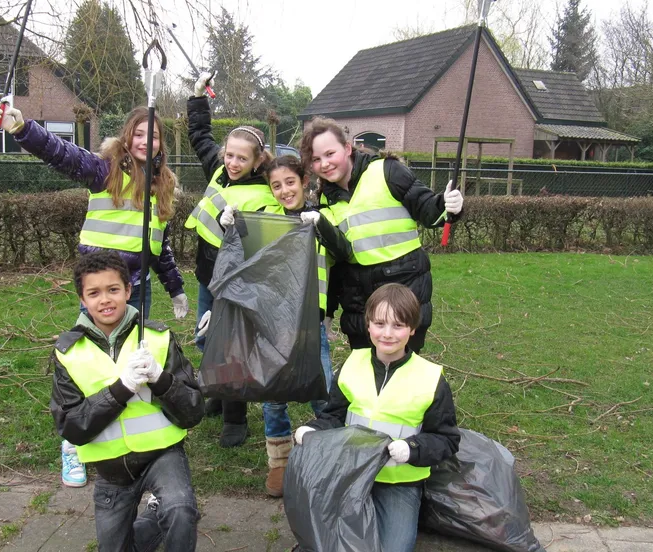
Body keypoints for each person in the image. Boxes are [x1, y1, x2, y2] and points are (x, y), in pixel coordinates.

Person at [0, 103, 190, 487]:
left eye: (153, 136)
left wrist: (176, 289)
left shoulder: (163, 184)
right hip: (100, 283)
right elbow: (62, 154)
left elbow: (159, 247)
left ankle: (136, 442)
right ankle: (73, 444)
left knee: (134, 361)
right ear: (127, 135)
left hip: (137, 287)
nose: (144, 142)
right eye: (138, 134)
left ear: (161, 142)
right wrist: (23, 129)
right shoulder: (105, 169)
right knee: (91, 363)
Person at [199, 155, 351, 496]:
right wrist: (228, 226)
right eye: (276, 186)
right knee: (272, 395)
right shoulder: (265, 219)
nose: (284, 191)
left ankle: (323, 460)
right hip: (269, 322)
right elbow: (241, 261)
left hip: (309, 322)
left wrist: (322, 225)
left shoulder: (319, 218)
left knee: (322, 392)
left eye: (290, 182)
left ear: (304, 181)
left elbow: (343, 251)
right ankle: (279, 465)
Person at [50, 251, 204, 551]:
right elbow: (72, 427)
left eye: (113, 290)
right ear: (82, 298)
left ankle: (165, 510)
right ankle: (153, 518)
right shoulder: (69, 353)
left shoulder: (157, 338)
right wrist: (122, 389)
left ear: (129, 291)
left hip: (163, 454)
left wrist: (161, 379)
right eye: (94, 293)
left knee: (181, 511)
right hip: (112, 470)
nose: (105, 299)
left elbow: (193, 411)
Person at [294, 283, 460, 552]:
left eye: (398, 325)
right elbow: (334, 415)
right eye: (380, 323)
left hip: (398, 483)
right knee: (321, 539)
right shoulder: (352, 364)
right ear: (368, 325)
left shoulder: (430, 378)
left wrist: (412, 449)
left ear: (412, 329)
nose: (388, 334)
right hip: (350, 474)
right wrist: (313, 429)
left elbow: (447, 440)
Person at [300, 118, 464, 354]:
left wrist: (447, 206)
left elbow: (426, 208)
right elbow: (336, 260)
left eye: (329, 153)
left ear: (347, 148)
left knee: (401, 377)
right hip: (360, 306)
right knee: (367, 380)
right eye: (316, 159)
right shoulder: (326, 198)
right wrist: (329, 312)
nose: (324, 164)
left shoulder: (387, 171)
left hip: (404, 290)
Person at [185, 71, 280, 448]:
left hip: (236, 282)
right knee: (206, 341)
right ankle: (219, 394)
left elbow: (262, 246)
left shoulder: (264, 193)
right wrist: (197, 99)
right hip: (207, 275)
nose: (233, 162)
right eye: (230, 155)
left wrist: (235, 230)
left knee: (232, 347)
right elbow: (199, 136)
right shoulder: (220, 171)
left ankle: (235, 419)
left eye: (242, 158)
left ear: (258, 161)